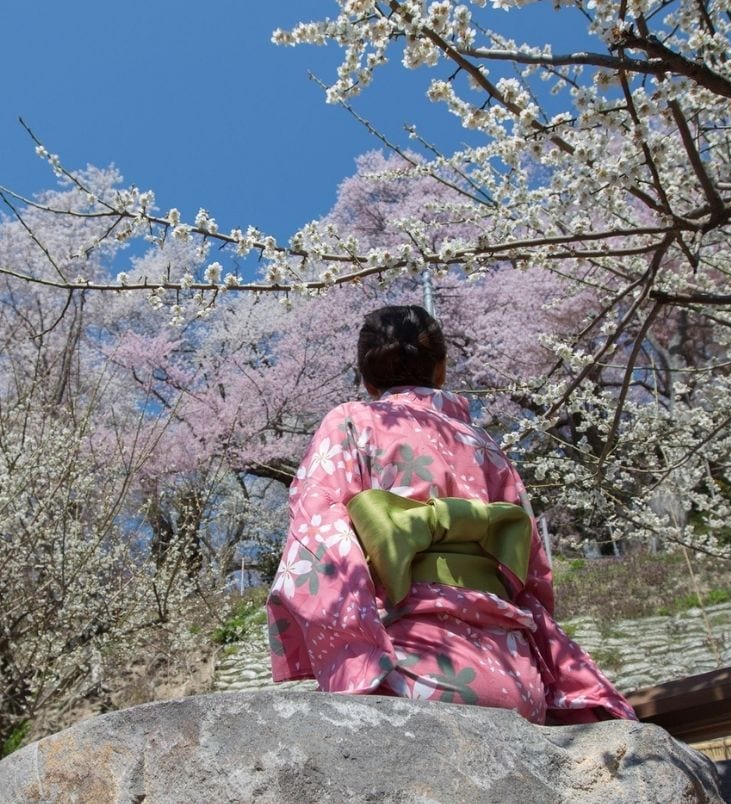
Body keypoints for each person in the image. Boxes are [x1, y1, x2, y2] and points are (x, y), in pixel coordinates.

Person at [266, 304, 635, 724]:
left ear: (366, 380)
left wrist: (352, 662)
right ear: (441, 370)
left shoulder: (349, 423)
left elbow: (318, 547)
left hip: (409, 671)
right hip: (515, 674)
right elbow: (531, 574)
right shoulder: (486, 446)